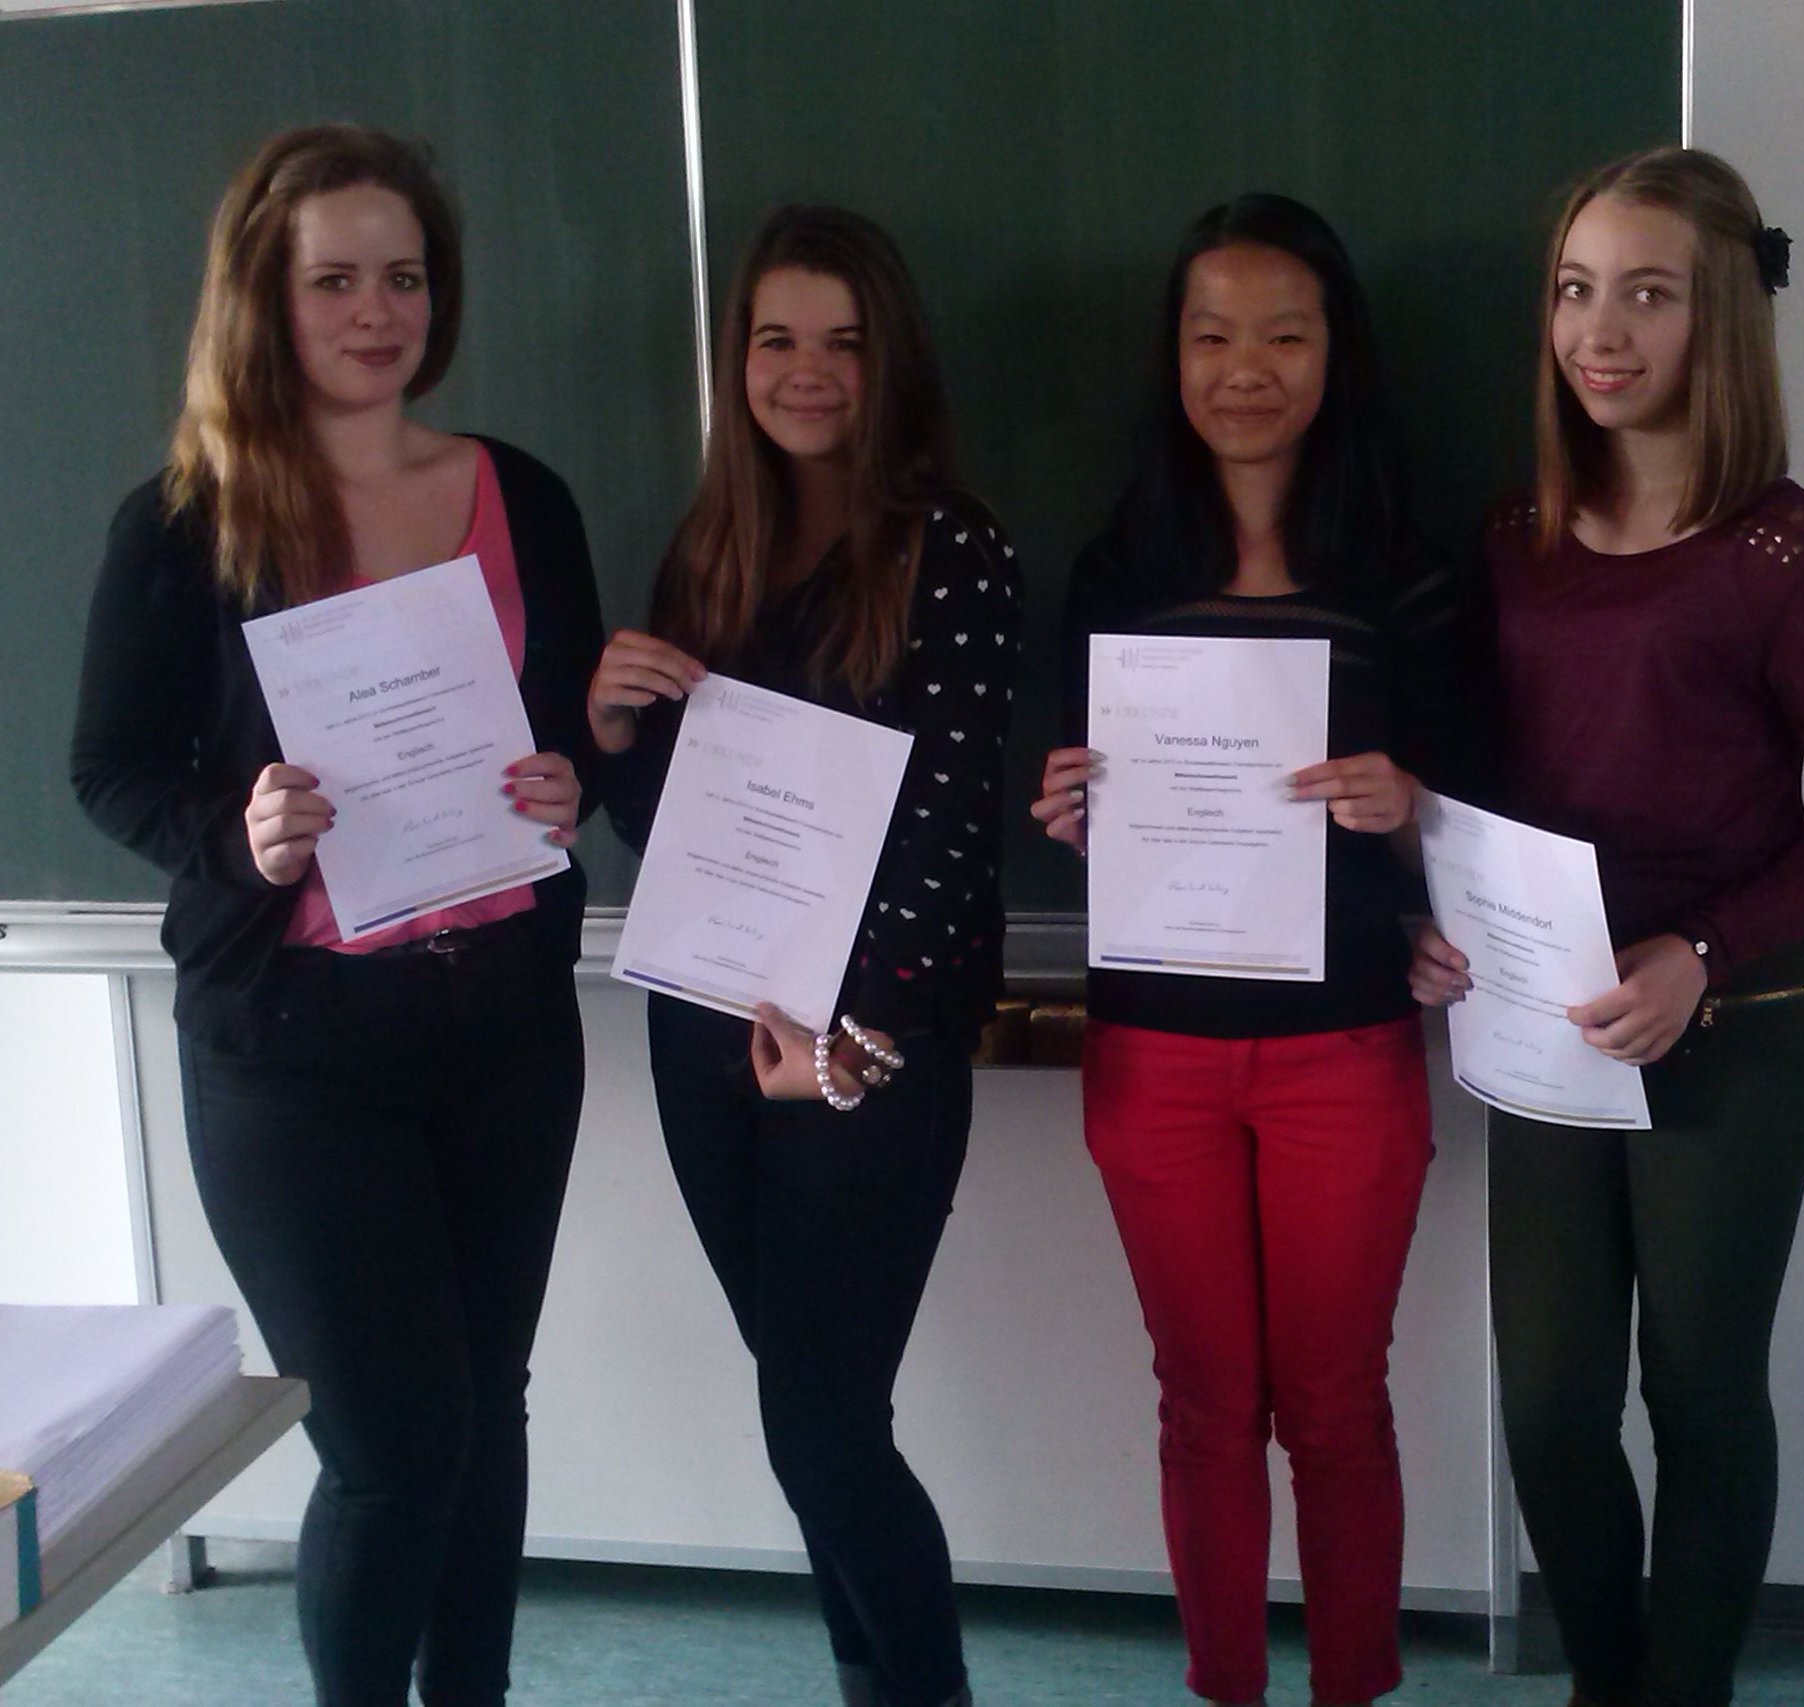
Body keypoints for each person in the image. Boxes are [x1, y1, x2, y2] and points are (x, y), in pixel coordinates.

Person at [70, 125, 604, 1707]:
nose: (378, 313)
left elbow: (560, 726)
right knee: (392, 1450)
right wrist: (236, 836)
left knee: (485, 1418)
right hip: (296, 1049)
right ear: (267, 298)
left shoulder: (522, 495)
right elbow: (109, 768)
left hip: (505, 1027)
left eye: (405, 278)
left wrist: (567, 778)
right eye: (334, 282)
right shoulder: (186, 520)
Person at [1409, 147, 1804, 1707]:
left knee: (1696, 1394)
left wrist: (1700, 951)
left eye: (1646, 293)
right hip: (1547, 1022)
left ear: (1721, 321)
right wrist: (1430, 917)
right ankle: (1610, 1681)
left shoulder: (1788, 557)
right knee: (1550, 1407)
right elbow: (1479, 775)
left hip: (1739, 1029)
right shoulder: (1515, 537)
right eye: (1575, 290)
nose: (1599, 330)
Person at [1030, 194, 1483, 1707]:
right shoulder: (1116, 571)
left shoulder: (1408, 576)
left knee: (1336, 1408)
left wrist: (1409, 808)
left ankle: (1351, 1684)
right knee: (1203, 1407)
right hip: (1152, 1046)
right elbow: (1088, 808)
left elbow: (1475, 835)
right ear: (1172, 357)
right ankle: (1224, 1686)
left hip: (1341, 1047)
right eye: (1211, 335)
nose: (1244, 369)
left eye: (1283, 335)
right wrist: (1070, 809)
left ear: (1334, 354)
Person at [589, 205, 1020, 1707]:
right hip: (707, 1034)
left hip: (862, 1051)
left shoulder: (953, 551)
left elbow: (953, 827)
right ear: (740, 361)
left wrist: (849, 1043)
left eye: (843, 342)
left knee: (824, 1431)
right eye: (776, 339)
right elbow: (669, 831)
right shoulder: (711, 550)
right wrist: (613, 731)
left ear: (890, 361)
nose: (807, 371)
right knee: (802, 1421)